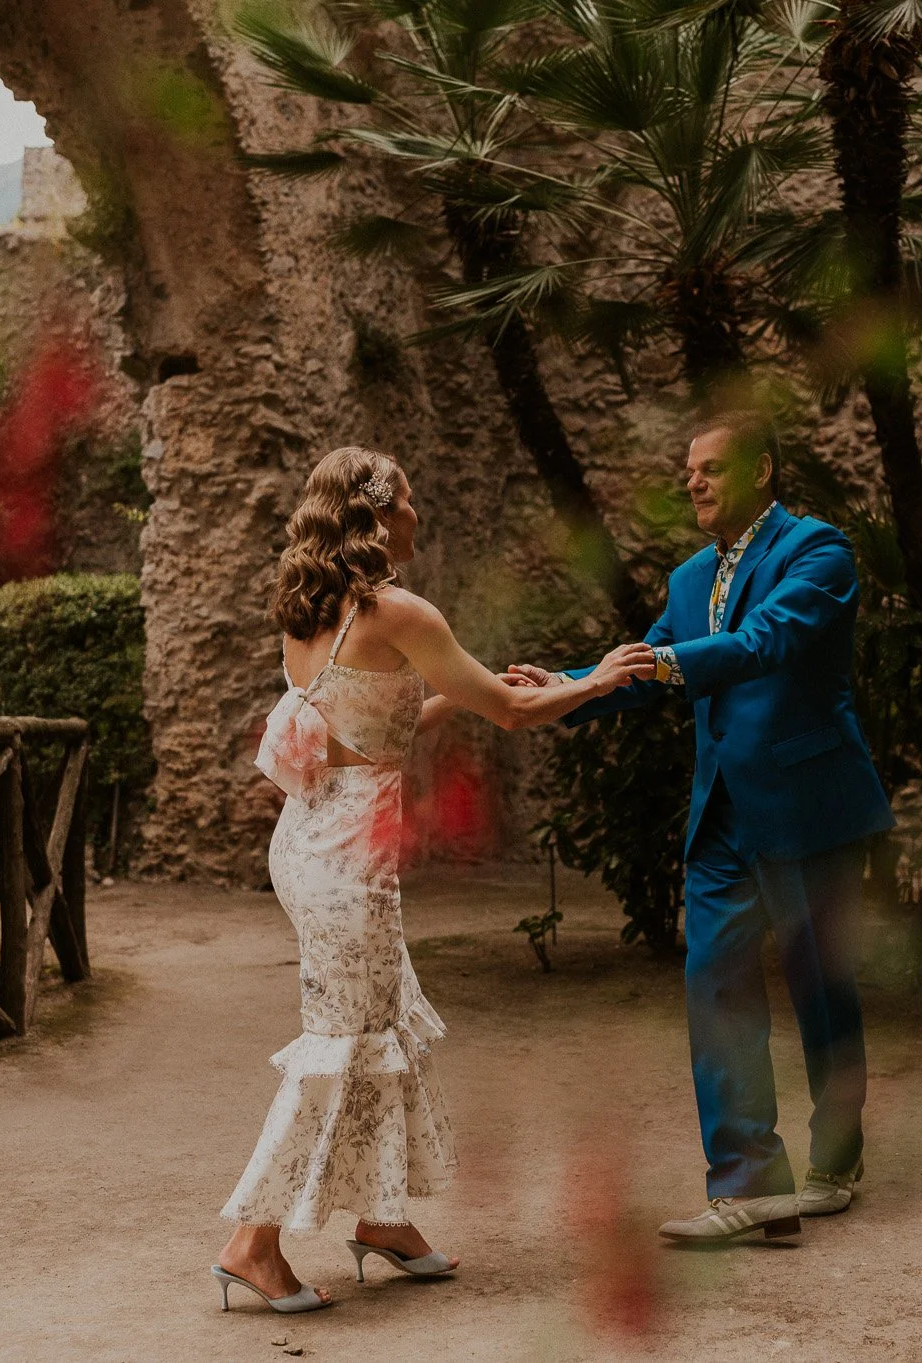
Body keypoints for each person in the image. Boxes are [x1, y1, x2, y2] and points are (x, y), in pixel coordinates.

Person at [213, 445, 656, 1314]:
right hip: (348, 862)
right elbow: (516, 711)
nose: (420, 514)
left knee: (381, 1027)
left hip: (310, 842)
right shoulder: (399, 609)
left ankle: (382, 1219)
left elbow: (370, 720)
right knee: (339, 1049)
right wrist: (596, 678)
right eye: (410, 501)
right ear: (378, 516)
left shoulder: (313, 610)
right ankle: (252, 1243)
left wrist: (465, 692)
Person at [504, 414, 895, 1244]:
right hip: (721, 816)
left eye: (711, 468)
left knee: (822, 989)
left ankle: (837, 1158)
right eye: (688, 471)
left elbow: (762, 642)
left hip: (808, 809)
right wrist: (566, 685)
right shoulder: (689, 578)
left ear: (761, 470)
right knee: (714, 986)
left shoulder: (818, 552)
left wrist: (666, 663)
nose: (693, 482)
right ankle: (750, 1183)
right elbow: (641, 668)